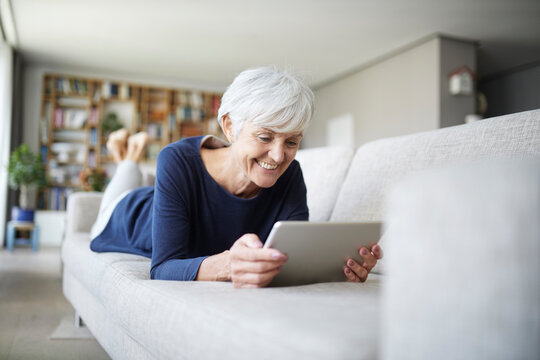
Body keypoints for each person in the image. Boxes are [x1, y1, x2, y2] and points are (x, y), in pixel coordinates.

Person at [89, 66, 383, 288]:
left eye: (291, 142)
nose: (279, 156)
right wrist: (228, 264)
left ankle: (127, 153)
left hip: (157, 202)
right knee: (127, 177)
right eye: (265, 137)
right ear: (229, 126)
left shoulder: (290, 175)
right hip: (127, 215)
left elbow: (290, 264)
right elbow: (163, 268)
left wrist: (341, 269)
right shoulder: (177, 159)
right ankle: (126, 156)